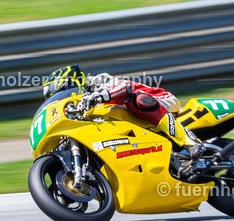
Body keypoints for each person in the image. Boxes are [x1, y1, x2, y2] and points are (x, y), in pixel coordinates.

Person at [41, 65, 208, 159]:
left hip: (162, 101)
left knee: (137, 99)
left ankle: (189, 141)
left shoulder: (97, 82)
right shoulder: (80, 108)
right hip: (132, 124)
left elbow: (122, 87)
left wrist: (98, 96)